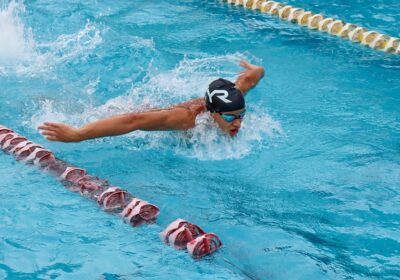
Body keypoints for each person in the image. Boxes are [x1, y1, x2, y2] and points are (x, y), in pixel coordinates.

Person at [38, 60, 264, 141]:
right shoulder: (186, 119)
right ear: (212, 113)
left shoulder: (234, 99)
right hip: (143, 112)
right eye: (229, 117)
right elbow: (133, 120)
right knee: (89, 113)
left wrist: (255, 69)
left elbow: (251, 79)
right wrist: (78, 134)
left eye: (240, 116)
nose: (238, 123)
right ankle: (47, 99)